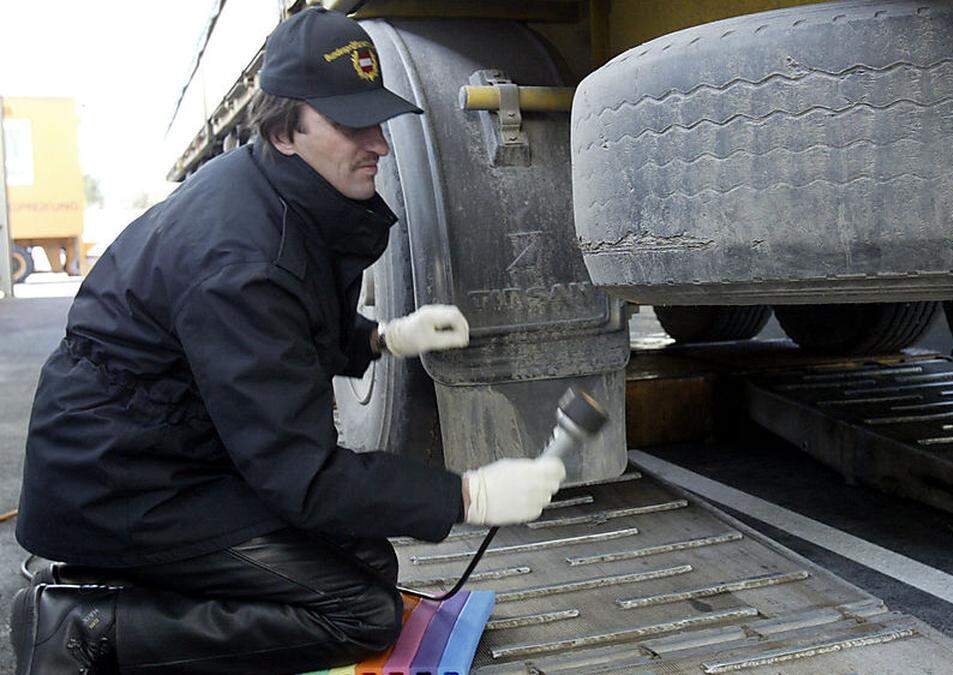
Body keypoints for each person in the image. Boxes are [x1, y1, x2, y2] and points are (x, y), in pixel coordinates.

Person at [9, 8, 566, 674]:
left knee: (366, 558)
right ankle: (86, 627)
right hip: (117, 486)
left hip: (171, 450)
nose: (380, 144)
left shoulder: (279, 198)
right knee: (361, 611)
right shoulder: (241, 257)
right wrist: (467, 495)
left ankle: (147, 593)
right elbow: (301, 475)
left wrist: (381, 338)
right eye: (352, 123)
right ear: (283, 131)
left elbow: (277, 337)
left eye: (378, 119)